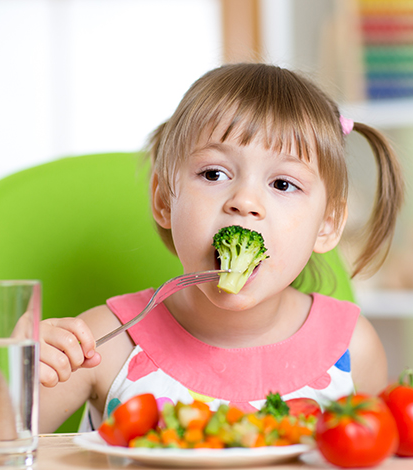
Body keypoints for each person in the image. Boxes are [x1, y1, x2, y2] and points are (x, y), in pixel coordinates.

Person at [38, 63, 404, 433]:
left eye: (282, 184)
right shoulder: (105, 341)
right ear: (164, 200)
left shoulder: (353, 348)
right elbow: (10, 443)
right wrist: (23, 369)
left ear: (327, 224)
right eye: (214, 174)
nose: (244, 201)